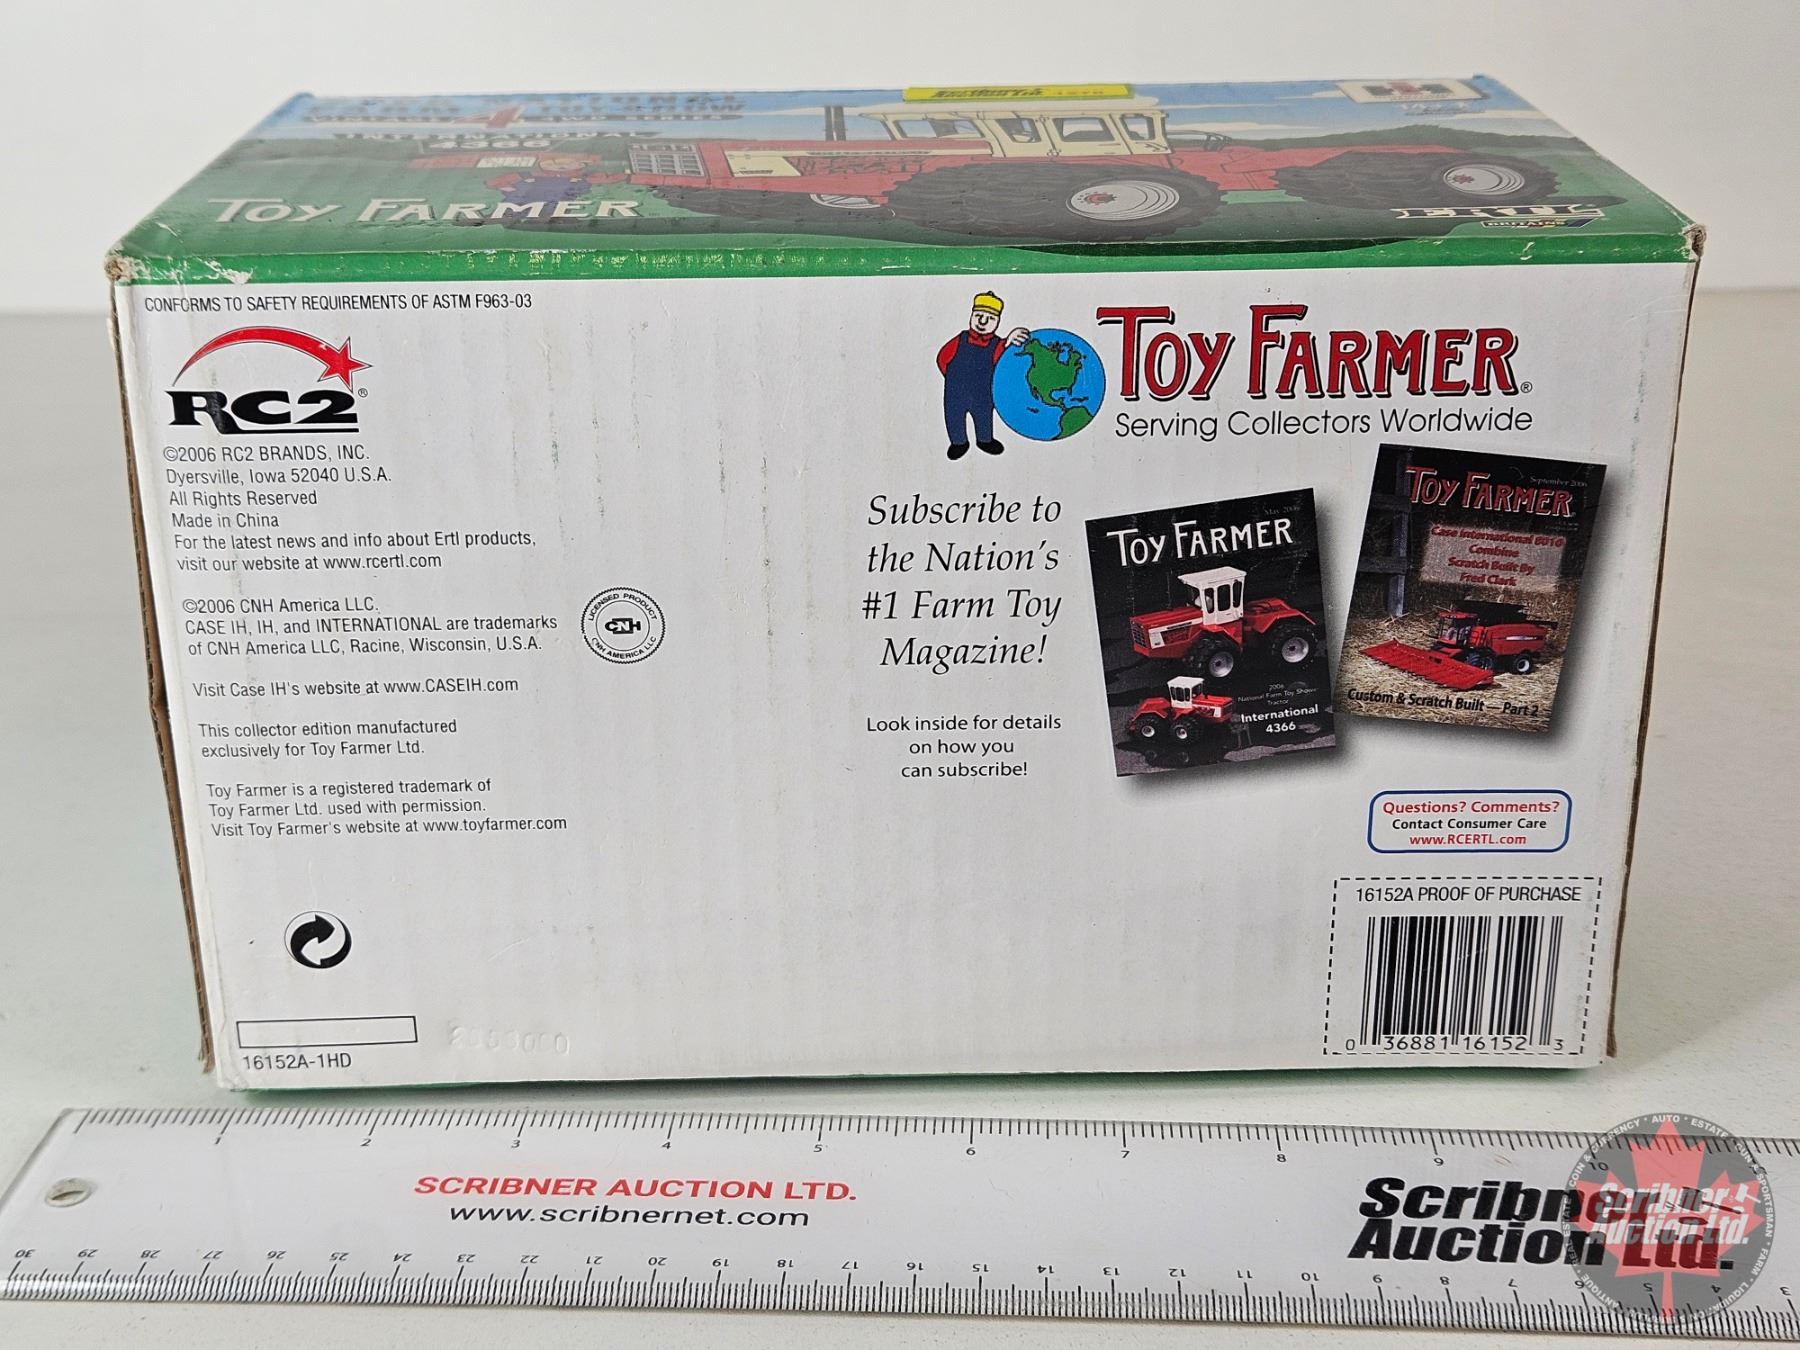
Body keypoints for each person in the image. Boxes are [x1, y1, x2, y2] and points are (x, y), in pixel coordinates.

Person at [936, 292, 1028, 460]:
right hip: (956, 393)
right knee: (954, 417)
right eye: (978, 316)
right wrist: (953, 380)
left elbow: (1002, 362)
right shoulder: (961, 339)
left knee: (984, 417)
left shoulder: (998, 344)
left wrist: (1009, 340)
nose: (982, 321)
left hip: (983, 394)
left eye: (990, 318)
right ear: (972, 316)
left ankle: (984, 440)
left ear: (997, 321)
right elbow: (942, 358)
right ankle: (958, 442)